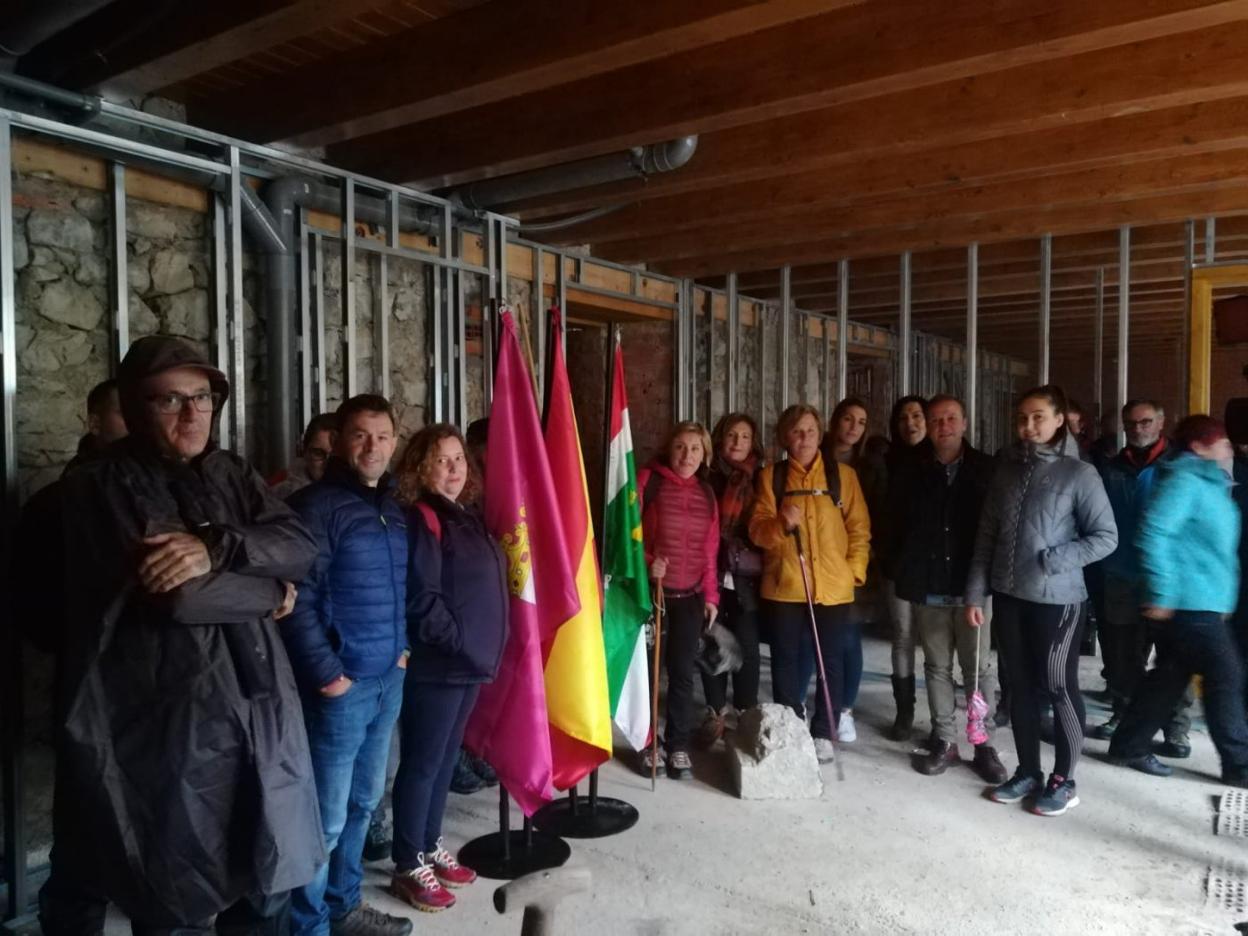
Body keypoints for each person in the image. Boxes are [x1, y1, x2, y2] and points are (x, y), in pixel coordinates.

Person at [33, 336, 323, 933]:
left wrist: (220, 544)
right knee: (174, 892)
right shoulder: (103, 484)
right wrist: (270, 594)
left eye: (201, 397)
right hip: (167, 726)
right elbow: (181, 596)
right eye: (169, 401)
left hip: (258, 710)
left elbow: (300, 546)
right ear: (136, 407)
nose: (192, 414)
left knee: (263, 880)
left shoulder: (230, 471)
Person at [284, 394, 412, 936]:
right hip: (342, 687)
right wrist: (327, 676)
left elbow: (398, 590)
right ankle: (307, 926)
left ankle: (344, 906)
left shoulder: (393, 507)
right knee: (326, 820)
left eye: (382, 436)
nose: (373, 446)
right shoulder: (315, 507)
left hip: (387, 679)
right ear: (338, 442)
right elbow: (296, 600)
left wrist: (402, 651)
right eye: (360, 435)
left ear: (394, 442)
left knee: (364, 804)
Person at [966, 385, 1117, 817]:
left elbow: (1106, 537)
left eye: (1037, 417)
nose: (1028, 426)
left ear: (1058, 421)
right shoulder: (1006, 472)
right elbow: (987, 538)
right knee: (1022, 690)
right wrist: (976, 592)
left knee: (1058, 686)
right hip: (1010, 597)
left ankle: (1064, 780)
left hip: (1059, 599)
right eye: (1022, 418)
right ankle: (1028, 770)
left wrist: (1056, 559)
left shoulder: (1078, 474)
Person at [388, 424, 508, 911]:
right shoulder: (424, 519)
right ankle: (406, 863)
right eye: (441, 460)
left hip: (468, 664)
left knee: (441, 763)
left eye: (459, 459)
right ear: (421, 467)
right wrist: (460, 644)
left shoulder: (464, 516)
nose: (454, 468)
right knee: (422, 763)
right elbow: (424, 600)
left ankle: (429, 843)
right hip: (441, 665)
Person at [1108, 416, 1248, 785]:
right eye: (1222, 443)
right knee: (1227, 677)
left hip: (1203, 601)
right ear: (1201, 447)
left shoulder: (1210, 483)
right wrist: (1163, 592)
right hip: (1187, 602)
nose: (1228, 449)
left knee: (1169, 679)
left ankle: (1129, 744)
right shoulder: (1185, 482)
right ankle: (1239, 764)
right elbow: (1153, 534)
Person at [889, 395, 1007, 783]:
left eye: (950, 418)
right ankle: (945, 739)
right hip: (931, 587)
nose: (943, 426)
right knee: (936, 667)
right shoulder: (911, 469)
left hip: (972, 589)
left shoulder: (987, 469)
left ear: (965, 422)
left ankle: (983, 742)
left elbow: (997, 531)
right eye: (936, 419)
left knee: (978, 669)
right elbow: (897, 525)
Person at [752, 404, 870, 764]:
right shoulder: (771, 477)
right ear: (785, 437)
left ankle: (824, 731)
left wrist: (853, 571)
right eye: (796, 431)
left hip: (832, 586)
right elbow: (757, 530)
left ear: (821, 435)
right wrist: (780, 525)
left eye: (810, 431)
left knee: (829, 660)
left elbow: (859, 529)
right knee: (785, 659)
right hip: (785, 584)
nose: (804, 438)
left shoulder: (843, 477)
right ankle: (791, 723)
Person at [1090, 400, 1193, 752]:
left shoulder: (1180, 466)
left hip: (1166, 578)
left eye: (1146, 421)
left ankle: (1175, 729)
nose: (1138, 429)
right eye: (1131, 423)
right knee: (1122, 656)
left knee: (1172, 657)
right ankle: (1124, 715)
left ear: (1162, 421)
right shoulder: (1111, 468)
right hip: (1120, 575)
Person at [638, 421, 720, 779]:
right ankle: (647, 743)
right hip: (651, 593)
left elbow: (710, 548)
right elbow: (627, 534)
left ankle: (678, 746)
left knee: (683, 674)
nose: (687, 456)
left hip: (690, 595)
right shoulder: (648, 481)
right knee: (647, 674)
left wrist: (711, 594)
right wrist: (647, 563)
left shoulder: (706, 492)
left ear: (705, 455)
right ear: (668, 449)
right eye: (681, 447)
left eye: (695, 449)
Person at [818, 397, 885, 743]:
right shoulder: (813, 457)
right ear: (834, 421)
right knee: (812, 637)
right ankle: (815, 706)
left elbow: (873, 516)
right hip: (816, 561)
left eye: (860, 422)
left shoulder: (870, 468)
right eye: (847, 419)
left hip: (853, 563)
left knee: (847, 636)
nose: (853, 428)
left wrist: (861, 559)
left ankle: (844, 709)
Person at [698, 413, 765, 746]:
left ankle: (746, 711)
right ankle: (715, 713)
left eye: (745, 437)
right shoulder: (705, 476)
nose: (737, 443)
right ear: (719, 438)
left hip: (746, 578)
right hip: (708, 571)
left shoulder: (762, 479)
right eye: (731, 436)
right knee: (712, 643)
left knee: (748, 647)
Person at [270, 412, 338, 499]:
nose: (328, 464)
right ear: (305, 453)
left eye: (335, 455)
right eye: (318, 453)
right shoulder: (278, 495)